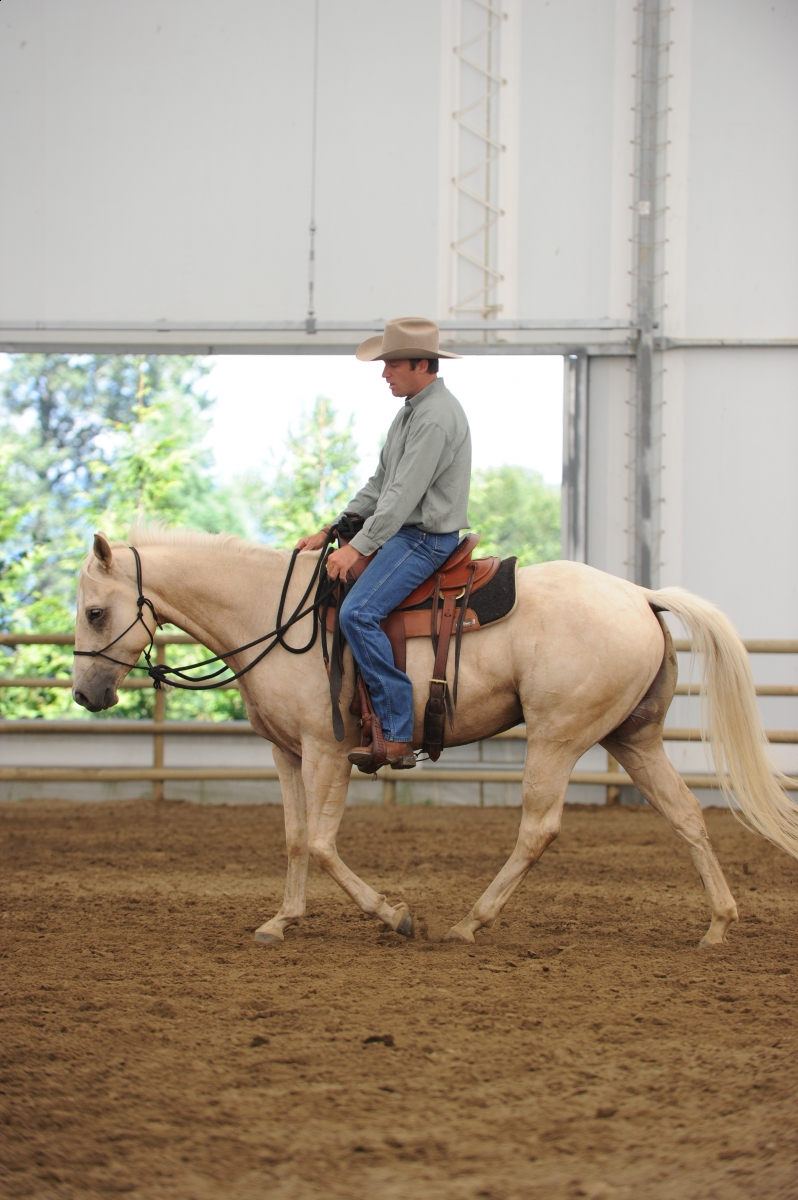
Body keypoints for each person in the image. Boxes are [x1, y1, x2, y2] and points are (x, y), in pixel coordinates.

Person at [296, 317, 472, 769]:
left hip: (425, 540)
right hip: (406, 532)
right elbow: (379, 484)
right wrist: (334, 530)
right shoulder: (412, 411)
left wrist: (359, 546)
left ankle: (396, 730)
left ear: (420, 364)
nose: (384, 373)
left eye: (392, 364)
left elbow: (402, 496)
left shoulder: (433, 418)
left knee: (358, 613)